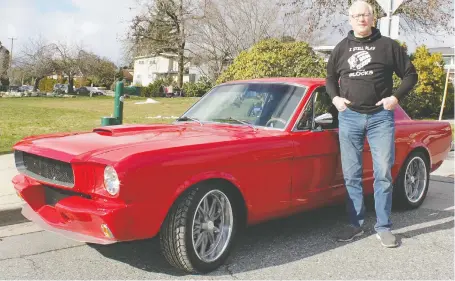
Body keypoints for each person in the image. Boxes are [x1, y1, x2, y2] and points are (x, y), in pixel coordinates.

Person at [325, 0, 418, 248]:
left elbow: (411, 75)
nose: (360, 19)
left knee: (383, 173)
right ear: (350, 19)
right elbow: (330, 78)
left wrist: (395, 98)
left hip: (380, 118)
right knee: (351, 174)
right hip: (349, 117)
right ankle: (355, 224)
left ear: (373, 17)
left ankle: (383, 227)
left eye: (365, 14)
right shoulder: (341, 48)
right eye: (356, 15)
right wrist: (335, 99)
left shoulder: (388, 46)